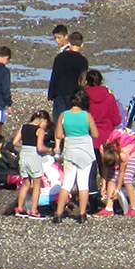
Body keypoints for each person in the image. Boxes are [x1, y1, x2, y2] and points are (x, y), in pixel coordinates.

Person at [52, 89, 99, 223]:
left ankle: (58, 214)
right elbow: (95, 134)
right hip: (85, 151)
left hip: (70, 150)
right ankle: (82, 214)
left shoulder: (63, 115)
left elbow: (59, 135)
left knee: (67, 183)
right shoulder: (87, 115)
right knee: (83, 183)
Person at [13, 110, 54, 219]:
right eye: (46, 124)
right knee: (36, 185)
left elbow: (15, 142)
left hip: (23, 156)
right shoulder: (39, 130)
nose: (45, 127)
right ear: (43, 120)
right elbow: (40, 147)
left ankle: (19, 208)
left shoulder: (24, 127)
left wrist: (24, 147)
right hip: (33, 158)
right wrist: (50, 150)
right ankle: (33, 211)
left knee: (25, 184)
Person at [93, 128, 135, 216]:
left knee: (127, 179)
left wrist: (118, 190)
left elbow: (121, 172)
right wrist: (103, 186)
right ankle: (109, 208)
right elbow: (105, 167)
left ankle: (134, 208)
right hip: (116, 152)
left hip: (134, 153)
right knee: (111, 177)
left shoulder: (123, 154)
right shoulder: (103, 148)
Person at [48, 31, 89, 116]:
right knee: (72, 117)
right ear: (82, 45)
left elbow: (54, 76)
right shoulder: (82, 60)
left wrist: (50, 94)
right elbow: (82, 78)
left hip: (59, 91)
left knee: (59, 118)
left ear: (69, 43)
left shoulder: (60, 57)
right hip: (74, 92)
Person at [83, 70, 121, 149]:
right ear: (101, 81)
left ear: (86, 82)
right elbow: (116, 121)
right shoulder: (109, 97)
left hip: (88, 138)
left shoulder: (83, 97)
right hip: (107, 138)